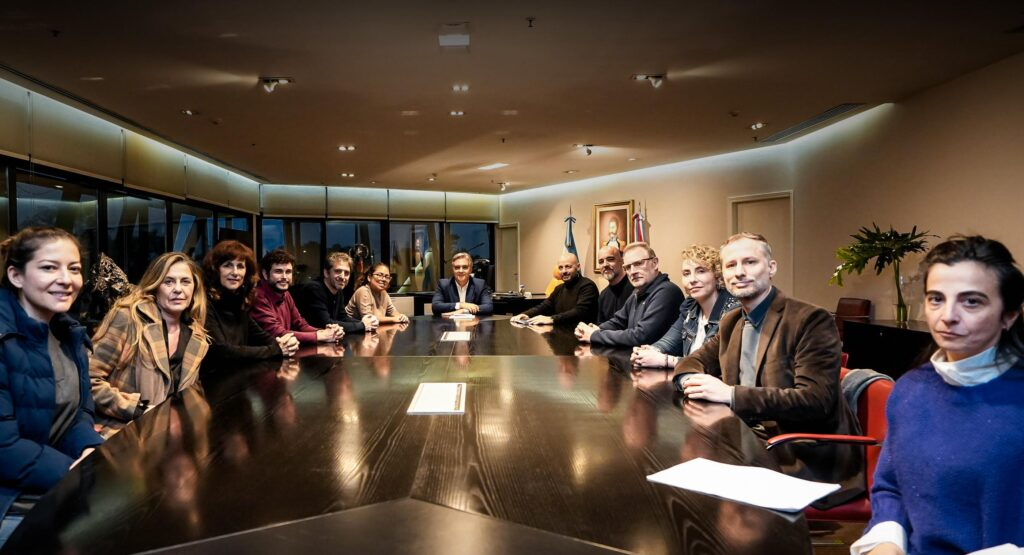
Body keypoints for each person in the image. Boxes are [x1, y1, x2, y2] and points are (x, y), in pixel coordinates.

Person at [851, 236, 1024, 555]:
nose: (948, 315)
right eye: (936, 299)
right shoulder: (910, 389)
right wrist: (886, 542)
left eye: (971, 302)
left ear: (1009, 315)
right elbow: (890, 487)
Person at [672, 233, 860, 494]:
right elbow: (692, 362)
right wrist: (691, 381)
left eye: (750, 262)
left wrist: (731, 394)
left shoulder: (810, 320)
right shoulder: (732, 322)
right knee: (677, 468)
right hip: (746, 441)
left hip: (802, 455)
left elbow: (815, 401)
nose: (739, 272)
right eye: (731, 265)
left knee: (702, 491)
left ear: (771, 268)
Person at [0, 227, 103, 547]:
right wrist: (73, 472)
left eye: (74, 268)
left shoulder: (69, 334)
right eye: (49, 267)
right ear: (16, 276)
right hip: (10, 505)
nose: (66, 279)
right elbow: (4, 446)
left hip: (51, 490)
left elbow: (78, 412)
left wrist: (90, 449)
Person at [90, 252, 211, 427]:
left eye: (185, 281)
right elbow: (89, 381)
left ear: (195, 288)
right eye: (168, 282)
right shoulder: (128, 318)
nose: (178, 289)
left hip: (169, 432)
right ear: (155, 285)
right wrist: (137, 409)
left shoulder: (197, 337)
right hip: (122, 429)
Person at [632, 244, 740, 368]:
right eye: (686, 273)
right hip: (687, 378)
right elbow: (669, 341)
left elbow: (712, 365)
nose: (692, 280)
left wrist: (667, 360)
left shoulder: (732, 311)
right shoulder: (690, 307)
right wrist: (647, 351)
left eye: (701, 271)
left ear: (717, 275)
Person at [203, 240, 298, 361]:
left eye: (240, 266)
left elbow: (263, 337)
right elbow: (222, 351)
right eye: (227, 265)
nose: (235, 272)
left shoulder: (239, 303)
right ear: (215, 270)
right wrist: (276, 350)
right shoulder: (205, 304)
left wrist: (288, 343)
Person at [576, 242, 684, 347]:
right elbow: (618, 321)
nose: (632, 272)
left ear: (655, 263)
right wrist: (593, 329)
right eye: (628, 267)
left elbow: (640, 336)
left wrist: (595, 335)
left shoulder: (667, 292)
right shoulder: (637, 292)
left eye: (638, 263)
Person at [250, 249, 344, 344]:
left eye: (288, 272)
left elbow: (300, 325)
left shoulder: (286, 294)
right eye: (278, 271)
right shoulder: (257, 296)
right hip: (266, 352)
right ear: (265, 274)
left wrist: (326, 332)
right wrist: (320, 335)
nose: (284, 277)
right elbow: (278, 333)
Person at [293, 251, 379, 334]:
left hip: (326, 339)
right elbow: (326, 323)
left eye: (346, 273)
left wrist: (366, 323)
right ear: (326, 273)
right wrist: (362, 325)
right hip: (303, 340)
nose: (342, 277)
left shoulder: (338, 290)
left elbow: (342, 317)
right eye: (338, 271)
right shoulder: (314, 289)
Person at [511, 252, 598, 326]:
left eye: (568, 267)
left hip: (581, 336)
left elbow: (580, 312)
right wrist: (526, 314)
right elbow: (545, 306)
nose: (564, 271)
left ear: (578, 267)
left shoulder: (588, 286)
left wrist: (552, 319)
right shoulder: (559, 288)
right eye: (560, 267)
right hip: (561, 334)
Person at [431, 251, 494, 316]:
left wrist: (464, 311)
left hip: (473, 322)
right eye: (457, 267)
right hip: (450, 322)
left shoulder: (480, 285)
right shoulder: (443, 285)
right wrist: (460, 305)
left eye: (465, 267)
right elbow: (436, 307)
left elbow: (488, 307)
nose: (461, 271)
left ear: (470, 269)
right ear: (452, 270)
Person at [596, 245, 633, 323]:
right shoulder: (603, 296)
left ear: (622, 261)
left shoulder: (635, 287)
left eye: (610, 259)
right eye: (601, 262)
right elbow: (601, 324)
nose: (605, 265)